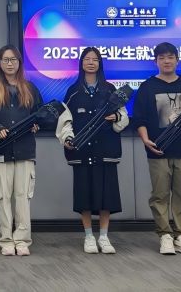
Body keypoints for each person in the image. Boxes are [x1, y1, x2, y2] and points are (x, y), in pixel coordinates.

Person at [132, 42, 181, 256]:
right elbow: (139, 118)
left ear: (177, 60)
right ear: (156, 61)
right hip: (158, 149)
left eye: (170, 57)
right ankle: (164, 235)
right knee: (159, 194)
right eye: (162, 57)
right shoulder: (147, 87)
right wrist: (145, 140)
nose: (166, 61)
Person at [55, 47, 128, 255]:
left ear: (100, 63)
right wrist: (67, 139)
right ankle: (88, 236)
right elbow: (65, 120)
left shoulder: (110, 90)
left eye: (95, 59)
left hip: (106, 149)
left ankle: (104, 236)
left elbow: (124, 117)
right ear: (81, 63)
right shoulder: (73, 91)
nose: (91, 62)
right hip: (82, 152)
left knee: (107, 195)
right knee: (84, 195)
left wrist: (117, 117)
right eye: (87, 59)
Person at [0, 45, 42, 256]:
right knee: (3, 197)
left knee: (23, 198)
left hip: (25, 151)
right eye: (5, 60)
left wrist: (37, 125)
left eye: (13, 59)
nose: (10, 63)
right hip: (1, 151)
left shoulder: (30, 89)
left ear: (19, 62)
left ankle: (22, 240)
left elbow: (41, 115)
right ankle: (6, 240)